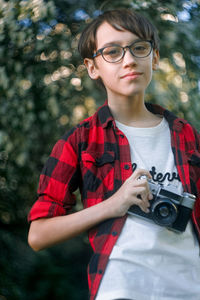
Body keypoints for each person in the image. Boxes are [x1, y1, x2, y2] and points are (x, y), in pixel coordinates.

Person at [28, 9, 200, 300]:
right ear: (92, 67)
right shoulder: (80, 141)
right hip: (121, 289)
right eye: (112, 52)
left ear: (154, 58)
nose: (129, 60)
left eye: (139, 48)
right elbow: (38, 235)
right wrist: (113, 205)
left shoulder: (188, 137)